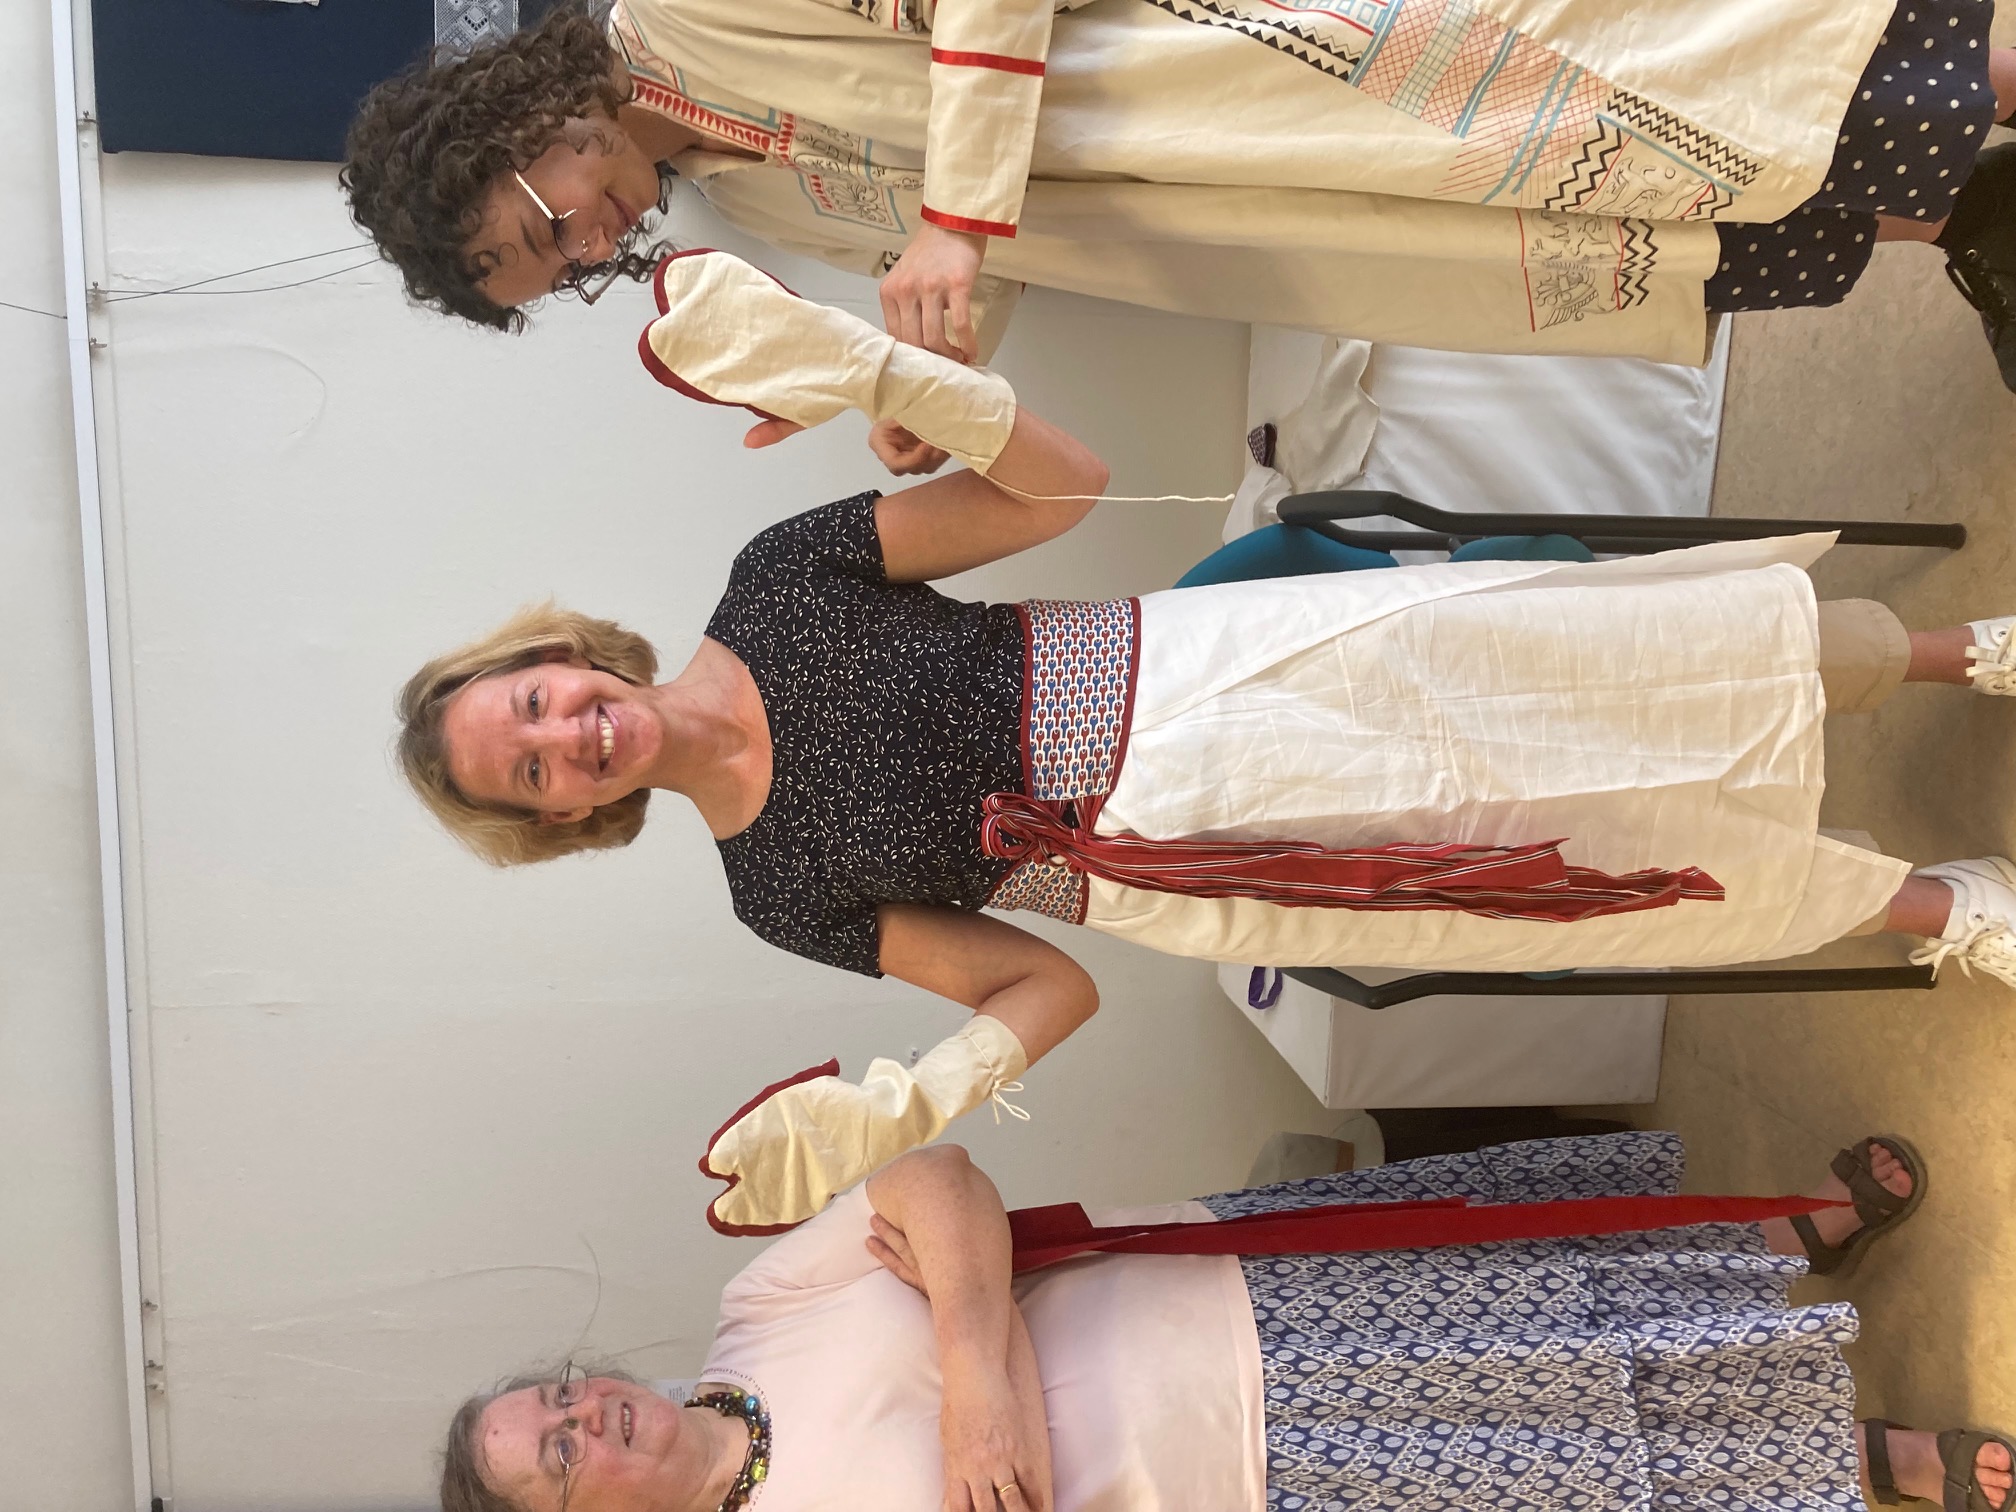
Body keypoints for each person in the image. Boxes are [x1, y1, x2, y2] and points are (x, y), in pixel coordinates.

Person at [394, 252, 2016, 1230]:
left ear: (558, 654)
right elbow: (1049, 984)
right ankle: (1944, 911)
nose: (565, 739)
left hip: (1216, 679)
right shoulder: (772, 891)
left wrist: (894, 376)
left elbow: (1062, 486)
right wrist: (922, 1101)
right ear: (558, 824)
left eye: (533, 703)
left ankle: (1953, 657)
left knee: (1587, 656)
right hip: (1197, 867)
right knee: (1566, 877)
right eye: (530, 773)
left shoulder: (777, 584)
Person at [342, 0, 2016, 422]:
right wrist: (918, 370)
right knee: (1697, 220)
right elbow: (961, 242)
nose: (589, 248)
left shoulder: (692, 16)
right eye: (556, 274)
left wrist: (956, 232)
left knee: (1731, 81)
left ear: (511, 121)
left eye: (540, 224)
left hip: (1275, 60)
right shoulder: (725, 179)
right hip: (1277, 196)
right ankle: (1983, 227)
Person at [439, 1132, 2016, 1512]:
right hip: (1260, 1477)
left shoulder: (752, 1312)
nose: (587, 1418)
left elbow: (935, 1178)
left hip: (1231, 1283)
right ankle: (1868, 1458)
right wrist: (961, 1300)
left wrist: (982, 1381)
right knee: (1573, 1449)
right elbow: (943, 1242)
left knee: (1527, 1267)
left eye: (556, 1400)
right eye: (557, 1456)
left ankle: (1784, 1239)